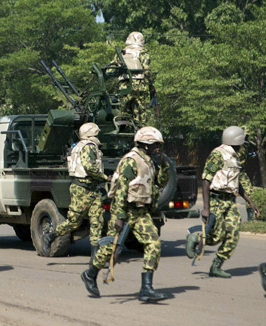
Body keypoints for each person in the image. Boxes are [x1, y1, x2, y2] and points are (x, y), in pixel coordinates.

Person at [81, 127, 169, 301]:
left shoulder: (149, 160)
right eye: (156, 144)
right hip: (125, 209)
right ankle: (90, 274)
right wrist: (119, 216)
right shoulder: (131, 160)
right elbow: (121, 189)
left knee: (153, 244)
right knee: (109, 249)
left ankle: (146, 288)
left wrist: (164, 165)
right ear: (145, 144)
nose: (158, 147)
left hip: (141, 211)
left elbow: (161, 182)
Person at [186, 126, 260, 278]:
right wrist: (206, 208)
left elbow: (236, 182)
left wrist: (250, 201)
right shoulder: (217, 155)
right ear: (236, 140)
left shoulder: (235, 156)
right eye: (242, 141)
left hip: (230, 201)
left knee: (233, 233)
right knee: (216, 236)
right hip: (217, 200)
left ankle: (216, 266)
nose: (243, 144)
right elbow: (206, 180)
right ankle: (195, 237)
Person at [44, 123, 107, 260]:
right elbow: (89, 167)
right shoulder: (88, 146)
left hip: (92, 188)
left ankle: (95, 257)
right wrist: (105, 177)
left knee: (97, 221)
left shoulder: (78, 146)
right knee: (74, 221)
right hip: (82, 189)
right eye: (96, 133)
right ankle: (53, 235)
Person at [116, 31, 155, 128]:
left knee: (124, 112)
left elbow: (113, 68)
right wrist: (150, 84)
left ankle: (124, 131)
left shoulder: (121, 53)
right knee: (140, 112)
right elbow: (147, 70)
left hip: (124, 87)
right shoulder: (143, 52)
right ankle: (140, 131)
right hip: (139, 86)